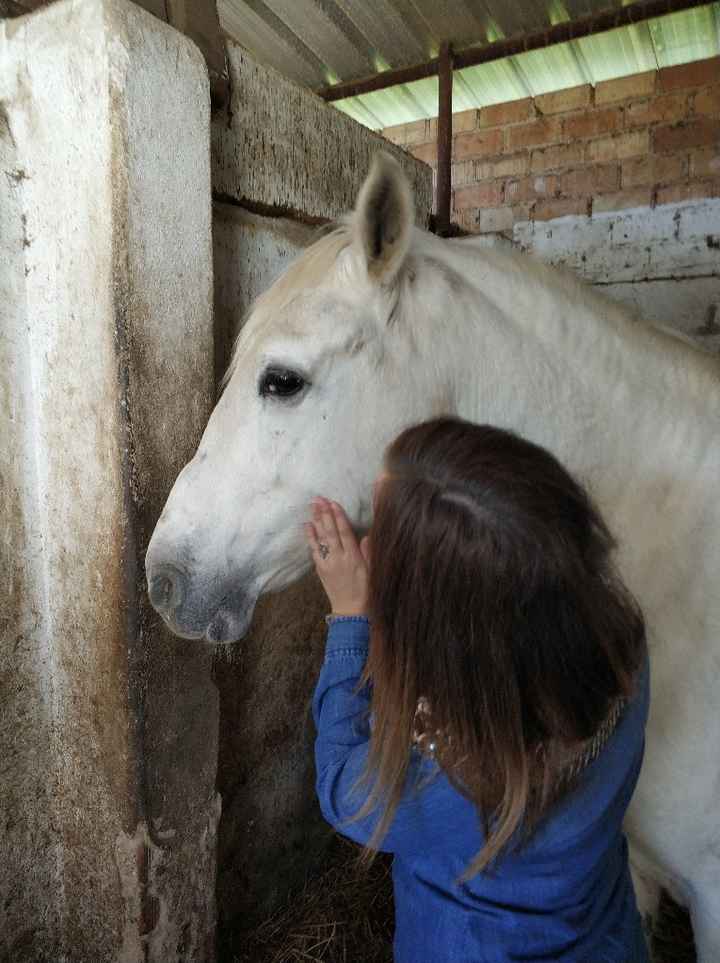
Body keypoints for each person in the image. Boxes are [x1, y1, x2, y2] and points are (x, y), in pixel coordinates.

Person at [303, 416, 650, 963]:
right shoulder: (619, 644)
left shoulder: (458, 784)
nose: (368, 536)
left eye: (383, 537)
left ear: (448, 625)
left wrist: (351, 616)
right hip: (602, 931)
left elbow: (344, 792)